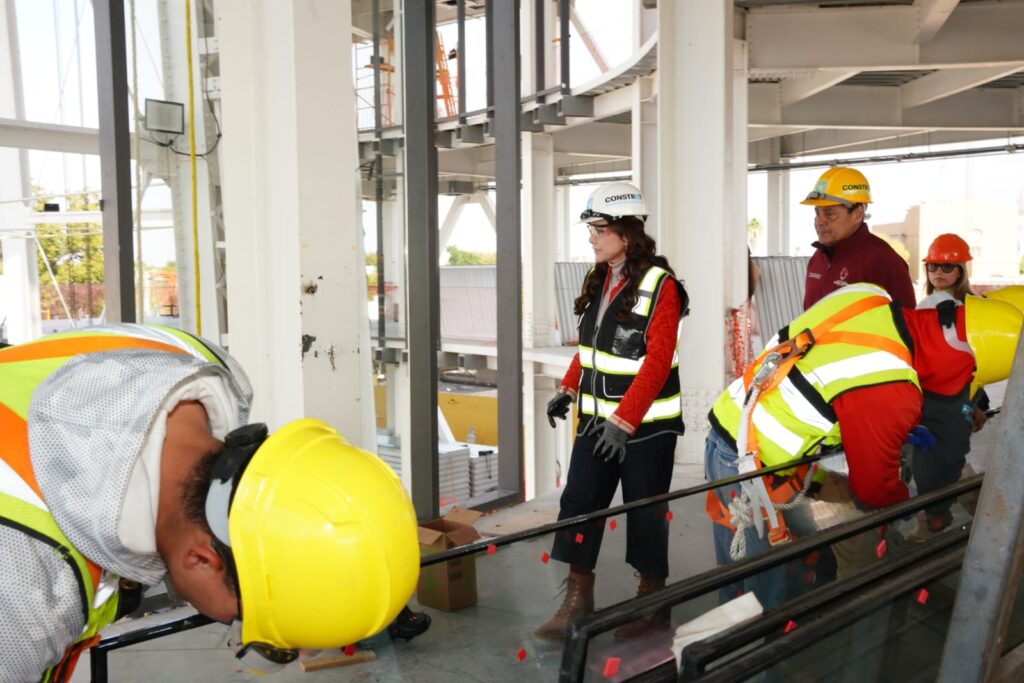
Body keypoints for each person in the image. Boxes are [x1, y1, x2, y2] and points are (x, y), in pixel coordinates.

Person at [0, 324, 421, 681]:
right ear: (202, 559)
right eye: (237, 620)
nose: (233, 630)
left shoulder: (181, 357)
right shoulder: (22, 597)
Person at [703, 283, 1022, 608]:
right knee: (763, 594)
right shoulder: (894, 389)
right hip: (754, 466)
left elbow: (832, 374)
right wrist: (906, 500)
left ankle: (786, 621)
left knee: (777, 564)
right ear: (966, 367)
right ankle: (753, 652)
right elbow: (873, 492)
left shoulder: (870, 296)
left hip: (735, 420)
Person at [537, 181, 689, 642]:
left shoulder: (660, 286)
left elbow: (657, 362)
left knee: (644, 511)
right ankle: (578, 600)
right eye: (590, 228)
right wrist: (568, 386)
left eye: (600, 228)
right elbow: (591, 347)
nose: (592, 237)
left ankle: (651, 603)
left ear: (627, 231)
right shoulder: (601, 277)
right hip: (597, 422)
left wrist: (624, 421)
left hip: (646, 428)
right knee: (579, 504)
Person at [909, 234, 989, 536]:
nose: (938, 273)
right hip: (932, 400)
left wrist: (977, 405)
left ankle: (935, 529)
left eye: (947, 267)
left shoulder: (977, 309)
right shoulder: (924, 308)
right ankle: (939, 526)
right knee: (938, 464)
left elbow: (982, 363)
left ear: (961, 270)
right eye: (933, 267)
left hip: (957, 399)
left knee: (940, 467)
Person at [801, 167, 916, 309]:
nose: (819, 221)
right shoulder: (818, 259)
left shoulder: (882, 261)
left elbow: (907, 323)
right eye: (817, 212)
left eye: (829, 214)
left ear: (857, 214)